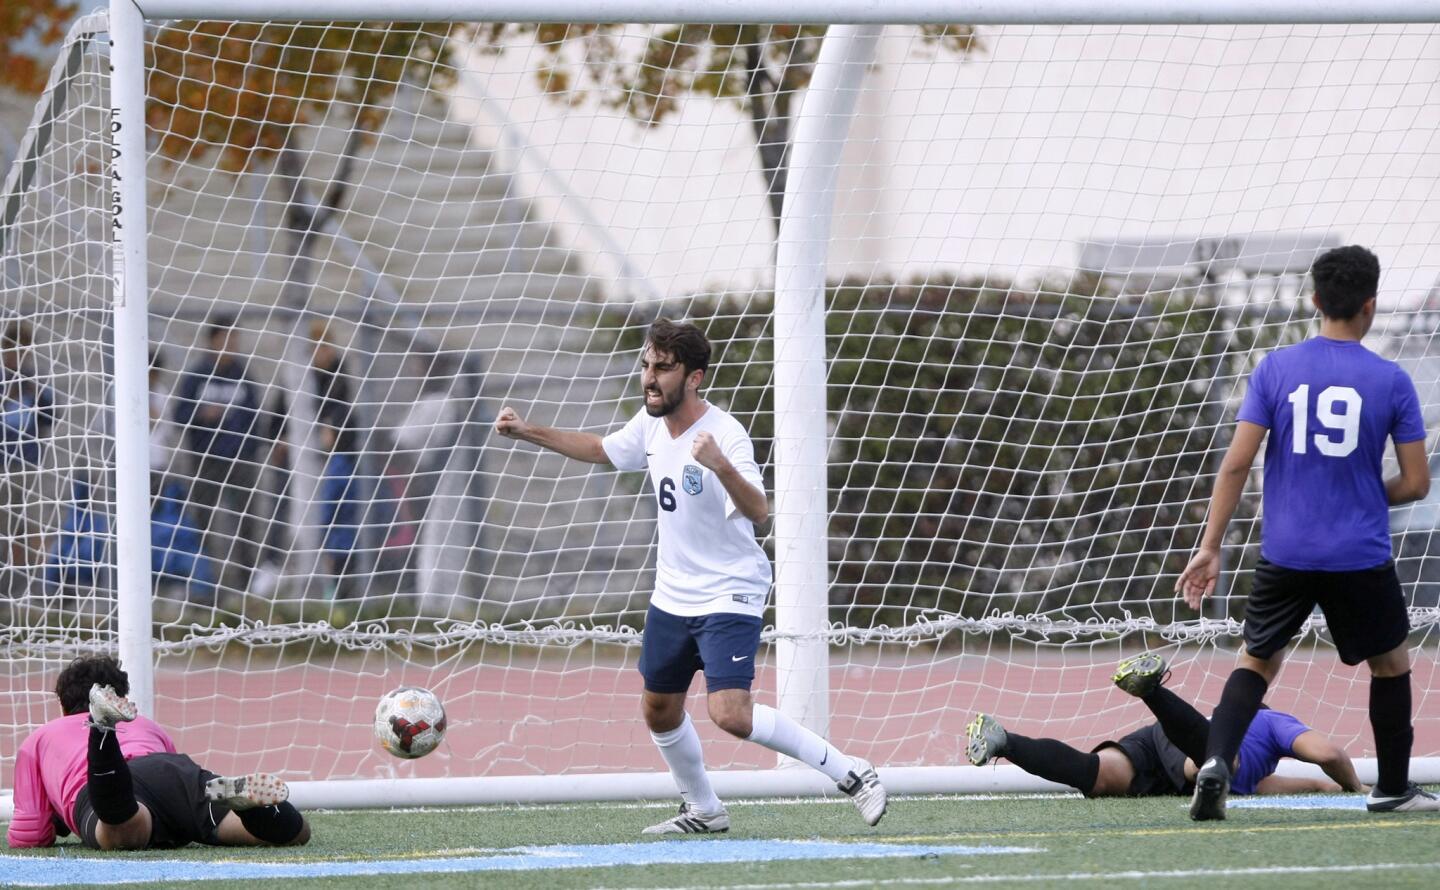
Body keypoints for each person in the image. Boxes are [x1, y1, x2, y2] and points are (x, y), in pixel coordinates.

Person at [494, 318, 887, 834]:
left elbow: (759, 510)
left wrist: (722, 466)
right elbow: (602, 450)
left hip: (729, 589)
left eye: (663, 368)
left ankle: (853, 773)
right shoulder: (651, 424)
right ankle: (703, 808)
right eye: (646, 366)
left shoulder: (725, 435)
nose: (649, 378)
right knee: (658, 708)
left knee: (731, 714)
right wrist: (528, 432)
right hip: (673, 594)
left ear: (695, 377)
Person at [1176, 244, 1440, 819]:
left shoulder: (1275, 369)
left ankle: (1218, 763)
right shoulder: (1391, 381)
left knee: (1255, 663)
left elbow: (1236, 464)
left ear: (1316, 300)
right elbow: (1418, 484)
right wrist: (1364, 494)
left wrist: (1211, 545)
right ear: (1371, 305)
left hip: (1286, 552)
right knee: (1390, 665)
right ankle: (1394, 788)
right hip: (1357, 554)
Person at [6, 654, 309, 850]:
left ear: (62, 704)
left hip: (108, 789)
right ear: (122, 698)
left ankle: (102, 730)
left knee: (125, 833)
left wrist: (56, 820)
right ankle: (251, 808)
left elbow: (30, 834)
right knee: (289, 836)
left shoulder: (39, 739)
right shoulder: (148, 726)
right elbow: (165, 790)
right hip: (172, 770)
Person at [965, 652, 1362, 798]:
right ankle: (1152, 691)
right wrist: (1355, 787)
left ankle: (1005, 742)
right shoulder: (1274, 721)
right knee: (1220, 764)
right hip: (1190, 756)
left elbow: (1278, 785)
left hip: (1159, 746)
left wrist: (1323, 786)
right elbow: (1329, 753)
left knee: (1097, 774)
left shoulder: (1256, 765)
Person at [171, 315, 267, 597]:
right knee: (203, 521)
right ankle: (204, 584)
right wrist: (203, 416)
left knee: (246, 522)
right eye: (225, 339)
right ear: (212, 341)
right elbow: (180, 416)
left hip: (240, 462)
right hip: (207, 461)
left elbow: (254, 418)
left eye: (234, 339)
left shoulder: (243, 376)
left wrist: (247, 449)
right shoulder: (197, 376)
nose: (230, 345)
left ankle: (246, 584)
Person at [2, 319, 56, 567]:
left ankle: (37, 582)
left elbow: (51, 416)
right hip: (4, 462)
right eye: (15, 350)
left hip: (28, 460)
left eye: (24, 351)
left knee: (30, 521)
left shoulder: (32, 379)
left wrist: (33, 392)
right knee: (7, 524)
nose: (19, 357)